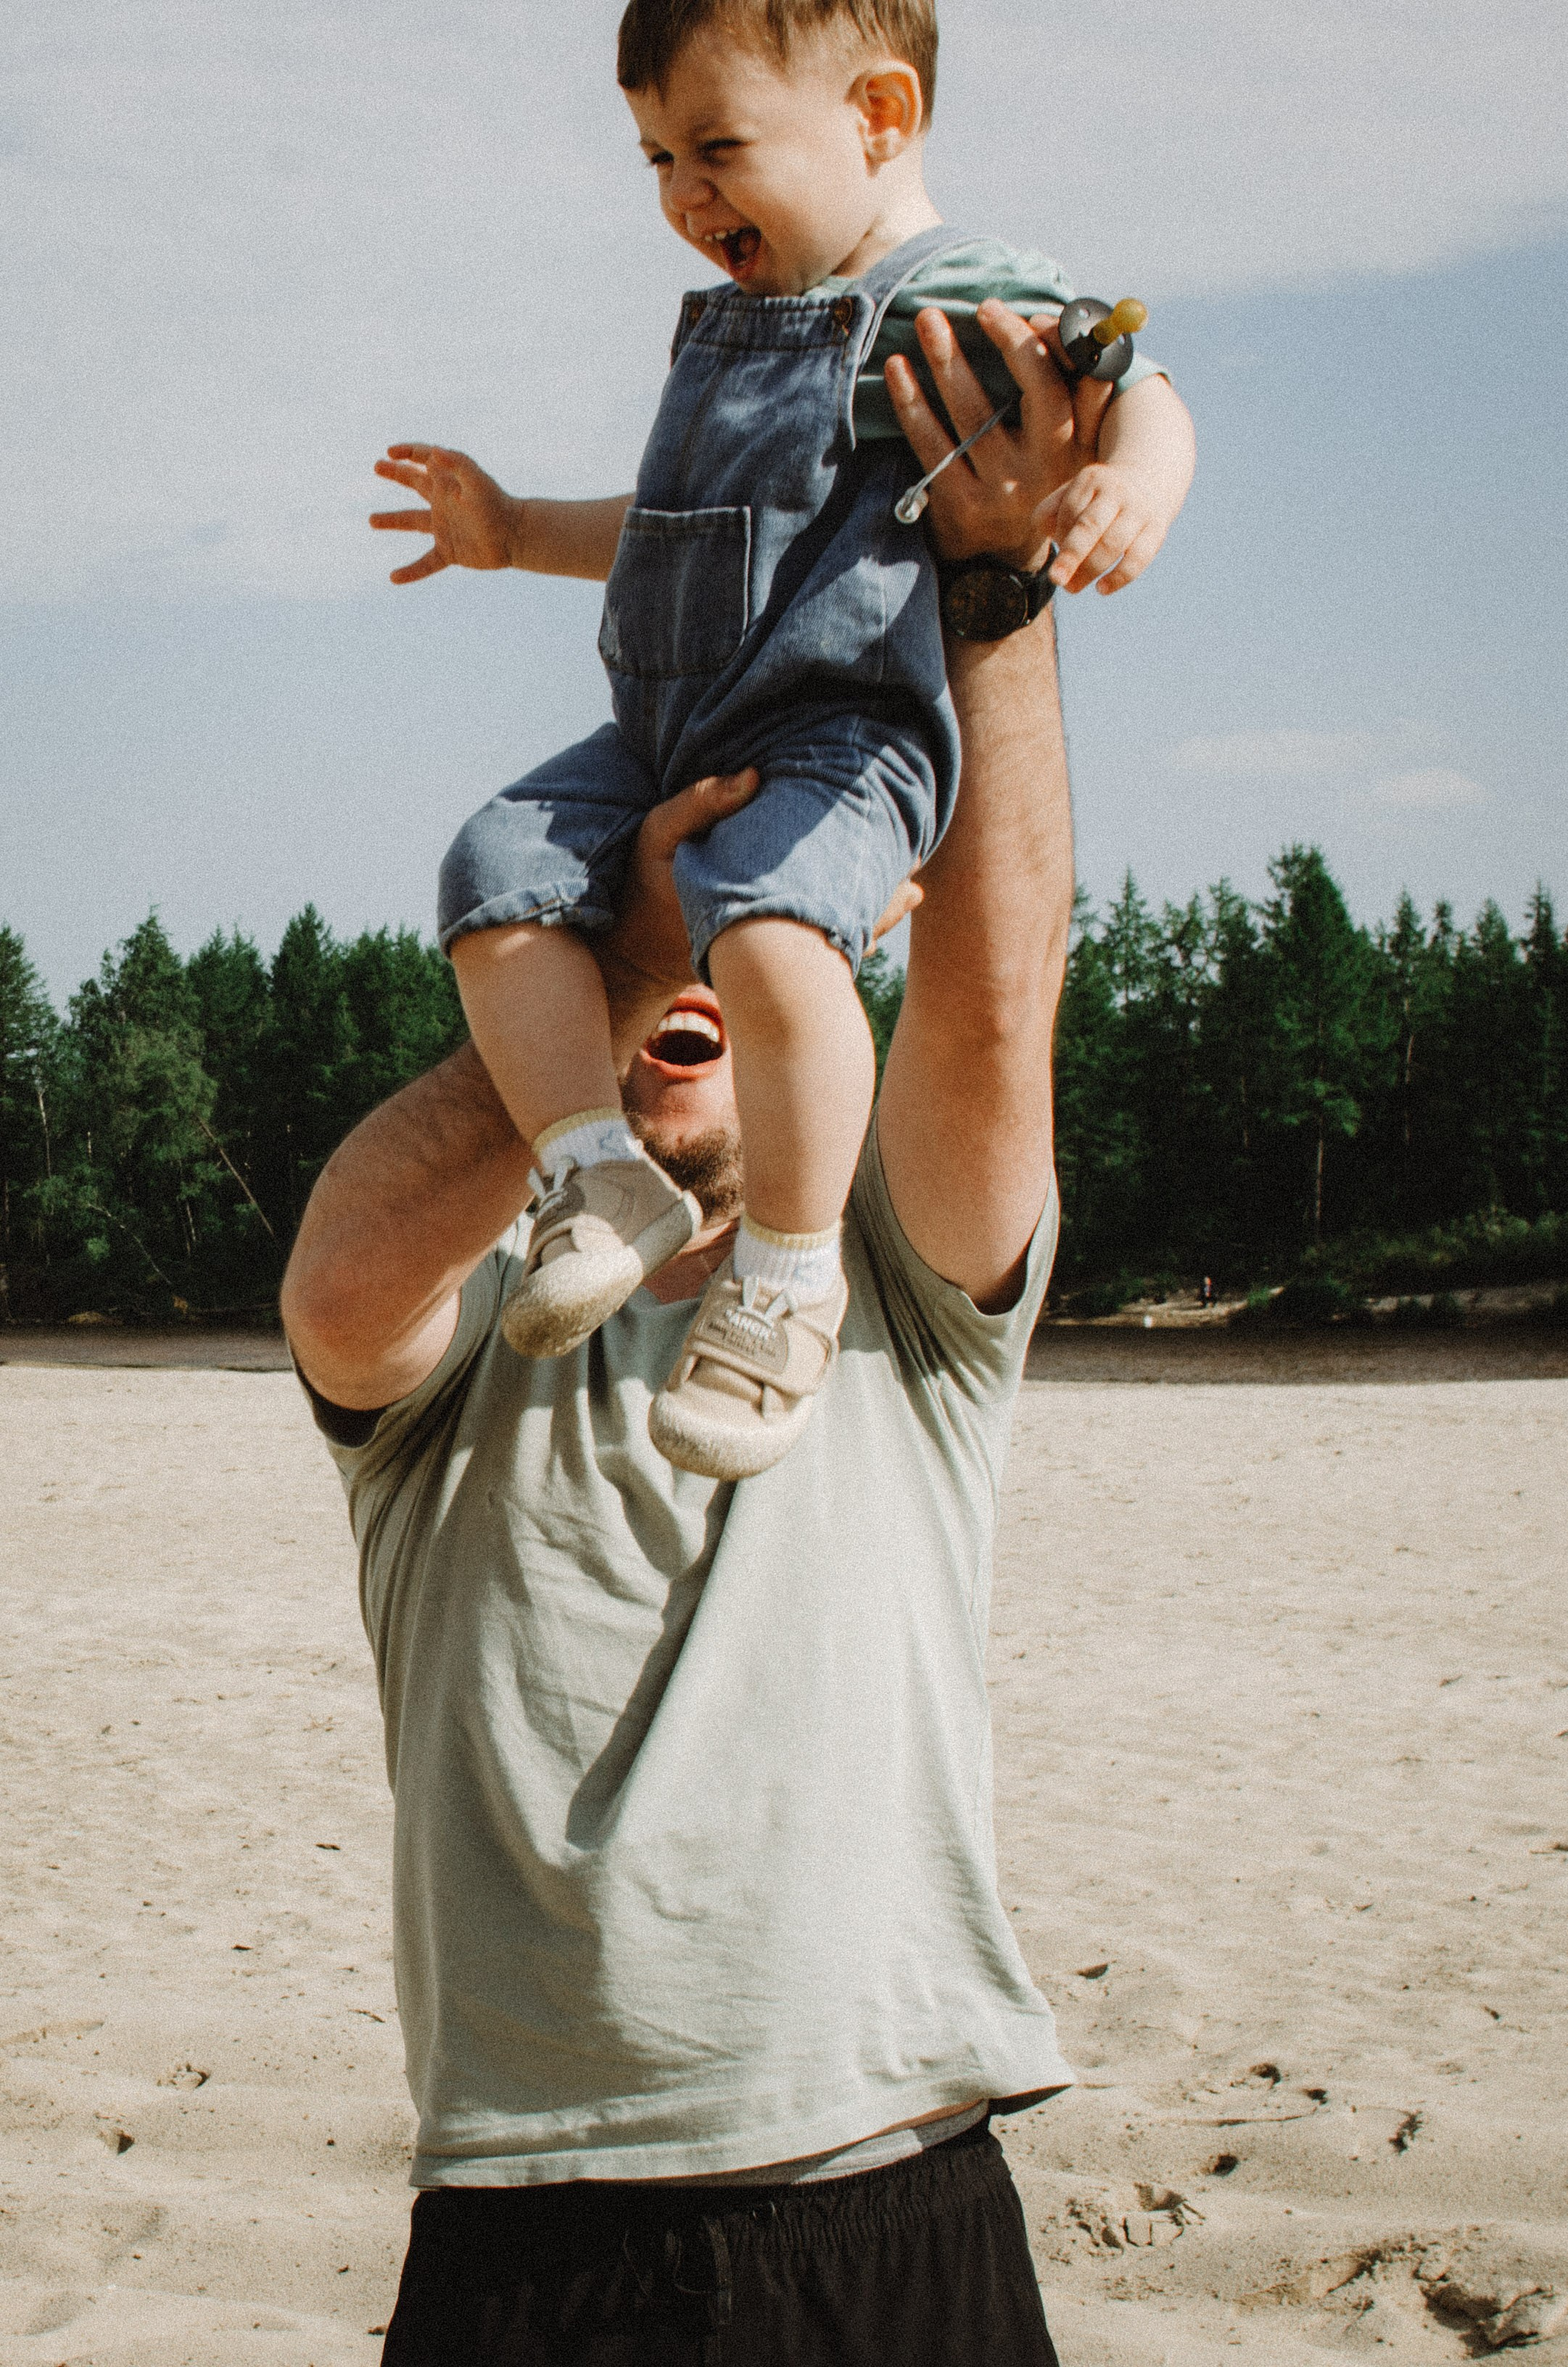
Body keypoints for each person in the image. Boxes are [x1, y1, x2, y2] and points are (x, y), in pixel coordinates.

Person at [285, 277, 1116, 2360]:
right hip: (528, 2222)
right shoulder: (481, 1339)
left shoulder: (907, 1311)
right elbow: (341, 1283)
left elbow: (1001, 996)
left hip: (891, 2183)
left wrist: (997, 607)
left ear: (831, 961)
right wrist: (622, 923)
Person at [369, 0, 1194, 1485]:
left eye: (715, 147)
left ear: (878, 117)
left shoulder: (961, 296)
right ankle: (597, 1175)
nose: (683, 195)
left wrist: (1134, 487)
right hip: (664, 727)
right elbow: (675, 538)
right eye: (654, 161)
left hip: (841, 731)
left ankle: (786, 1278)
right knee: (493, 873)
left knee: (762, 930)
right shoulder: (740, 340)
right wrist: (509, 537)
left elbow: (1136, 387)